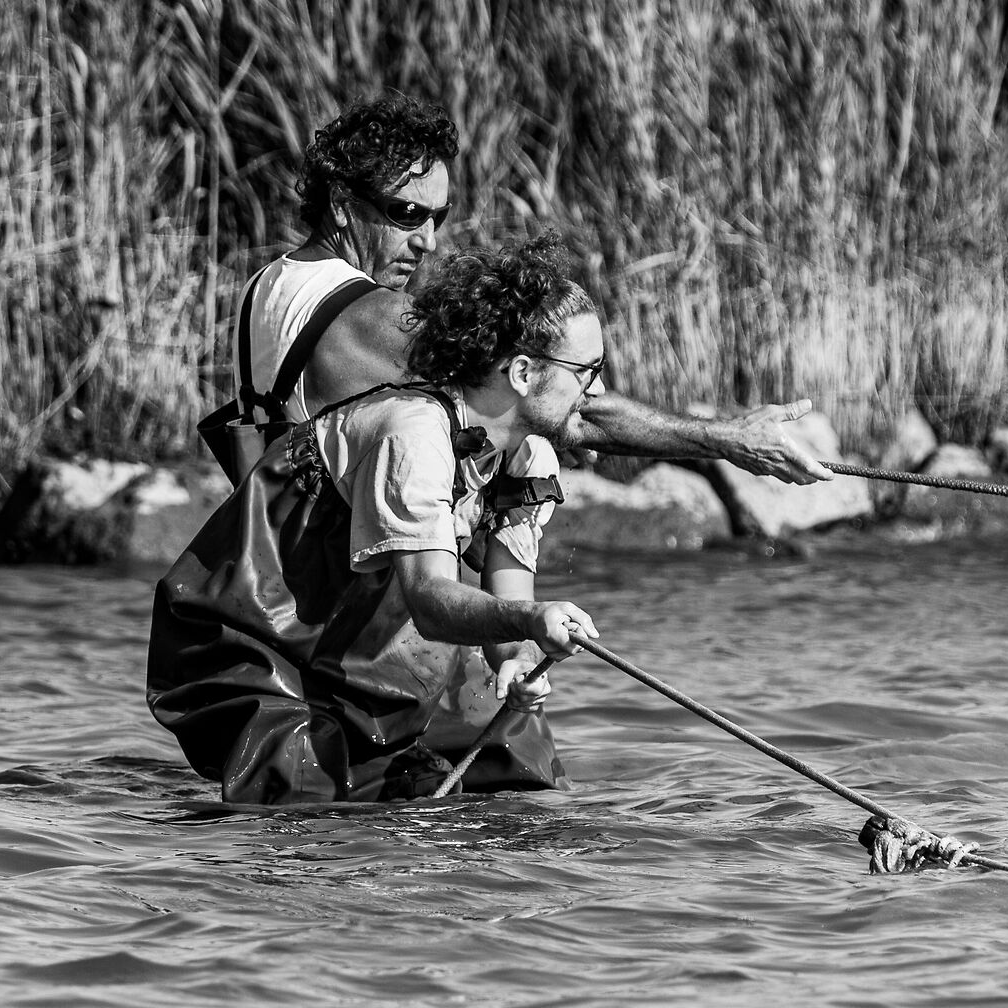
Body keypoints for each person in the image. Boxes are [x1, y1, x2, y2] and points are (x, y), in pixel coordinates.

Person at [149, 233, 605, 803]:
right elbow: (433, 602)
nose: (599, 389)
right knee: (301, 811)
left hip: (350, 652)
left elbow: (509, 598)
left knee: (499, 784)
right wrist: (532, 618)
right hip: (248, 636)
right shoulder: (412, 433)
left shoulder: (528, 455)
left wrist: (517, 660)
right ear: (521, 373)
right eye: (587, 369)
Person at [213, 94, 834, 485]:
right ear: (343, 206)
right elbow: (554, 396)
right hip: (320, 624)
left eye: (439, 217)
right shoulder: (368, 316)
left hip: (275, 590)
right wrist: (726, 439)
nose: (428, 240)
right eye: (407, 215)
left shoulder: (267, 286)